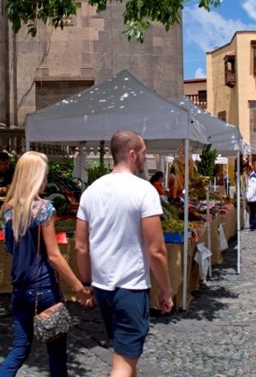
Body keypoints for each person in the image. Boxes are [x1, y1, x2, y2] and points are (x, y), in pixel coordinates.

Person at [76, 130, 173, 377]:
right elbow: (156, 250)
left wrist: (86, 283)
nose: (145, 157)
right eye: (143, 152)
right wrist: (166, 289)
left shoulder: (90, 191)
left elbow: (80, 246)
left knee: (125, 355)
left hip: (103, 285)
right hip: (131, 286)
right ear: (131, 154)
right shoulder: (144, 190)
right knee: (123, 362)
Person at [0, 151, 93, 377]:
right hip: (44, 289)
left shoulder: (9, 209)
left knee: (19, 350)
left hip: (19, 288)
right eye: (45, 175)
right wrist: (79, 287)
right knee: (57, 355)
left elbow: (9, 249)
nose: (47, 180)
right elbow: (54, 256)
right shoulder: (44, 209)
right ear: (36, 177)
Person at [245, 164, 256, 230]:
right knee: (255, 212)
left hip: (254, 198)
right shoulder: (252, 177)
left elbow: (252, 189)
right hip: (255, 198)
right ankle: (255, 225)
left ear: (248, 170)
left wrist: (247, 197)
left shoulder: (252, 178)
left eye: (246, 170)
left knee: (253, 212)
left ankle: (253, 225)